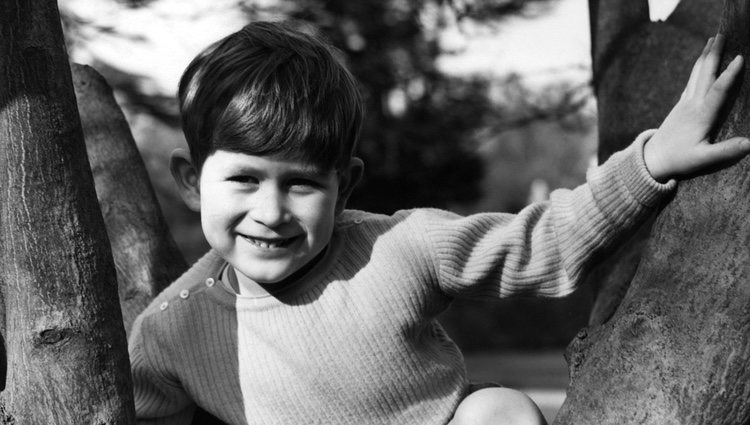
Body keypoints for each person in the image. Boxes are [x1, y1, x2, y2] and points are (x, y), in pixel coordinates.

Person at [128, 21, 750, 425]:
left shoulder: (399, 247)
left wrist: (651, 162)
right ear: (191, 181)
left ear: (344, 186)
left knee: (498, 412)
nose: (271, 211)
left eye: (302, 183)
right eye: (244, 179)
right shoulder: (172, 328)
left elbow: (541, 244)